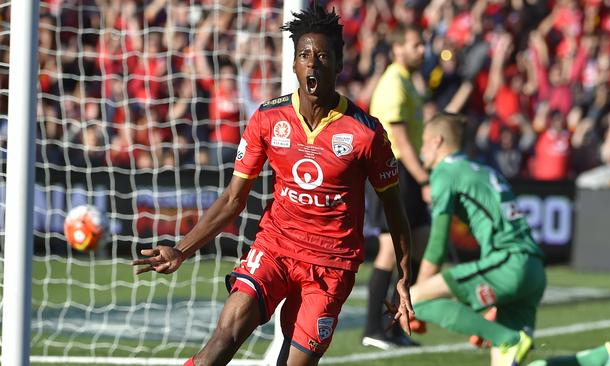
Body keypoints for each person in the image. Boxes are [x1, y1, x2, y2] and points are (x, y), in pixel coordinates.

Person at [132, 5, 415, 366]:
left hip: (331, 266)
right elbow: (234, 199)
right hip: (276, 247)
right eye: (304, 55)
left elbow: (394, 209)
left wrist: (404, 278)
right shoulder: (268, 118)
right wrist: (182, 249)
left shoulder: (366, 133)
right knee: (225, 335)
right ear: (294, 64)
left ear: (339, 64)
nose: (312, 63)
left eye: (322, 56)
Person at [409, 112, 546, 366]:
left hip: (509, 263)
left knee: (412, 299)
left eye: (424, 141)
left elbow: (437, 245)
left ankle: (506, 337)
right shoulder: (483, 169)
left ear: (437, 141)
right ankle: (599, 359)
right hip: (533, 269)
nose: (422, 148)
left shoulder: (444, 173)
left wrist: (419, 296)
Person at [361, 24, 430, 350]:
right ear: (398, 48)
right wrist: (424, 178)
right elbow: (399, 138)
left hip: (409, 175)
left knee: (417, 245)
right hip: (394, 173)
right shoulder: (392, 83)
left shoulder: (407, 82)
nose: (422, 50)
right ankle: (373, 328)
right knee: (391, 250)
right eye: (416, 44)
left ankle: (395, 322)